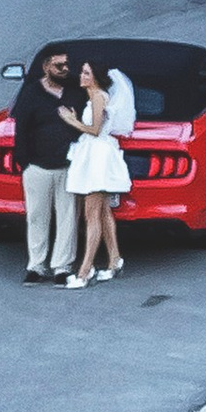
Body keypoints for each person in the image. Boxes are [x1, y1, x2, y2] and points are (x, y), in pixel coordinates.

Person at [9, 47, 79, 282]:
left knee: (68, 217)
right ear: (46, 66)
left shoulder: (75, 91)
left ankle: (62, 267)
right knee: (37, 216)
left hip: (68, 166)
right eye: (59, 65)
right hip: (37, 166)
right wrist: (25, 162)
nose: (64, 69)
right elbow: (21, 130)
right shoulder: (31, 94)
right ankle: (37, 266)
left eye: (67, 65)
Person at [64, 56, 131, 286]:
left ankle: (85, 271)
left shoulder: (99, 97)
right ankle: (114, 260)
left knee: (91, 215)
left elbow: (94, 130)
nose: (81, 76)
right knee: (102, 212)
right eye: (82, 72)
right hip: (94, 154)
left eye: (86, 73)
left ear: (95, 77)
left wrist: (71, 120)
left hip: (98, 158)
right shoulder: (94, 97)